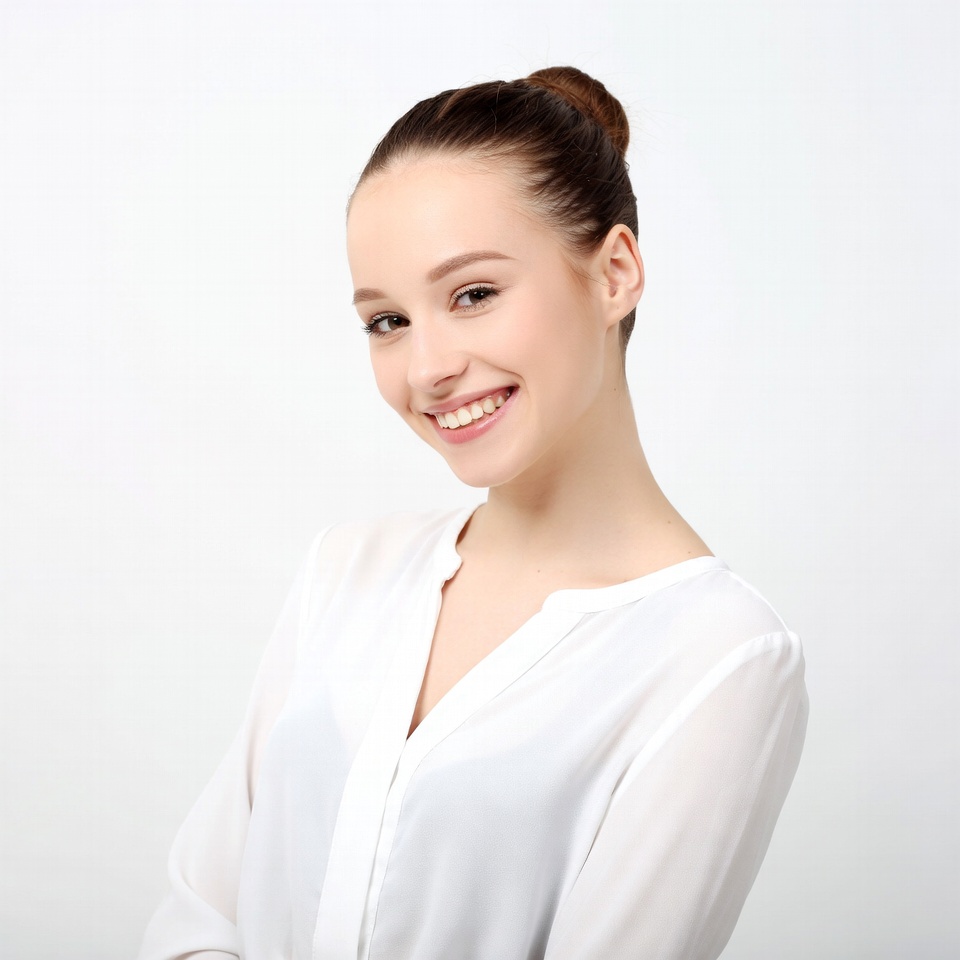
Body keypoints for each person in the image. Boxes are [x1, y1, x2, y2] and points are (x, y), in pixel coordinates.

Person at [138, 66, 808, 960]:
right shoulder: (348, 570)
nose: (426, 370)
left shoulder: (718, 658)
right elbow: (200, 913)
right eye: (386, 321)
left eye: (473, 295)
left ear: (614, 274)